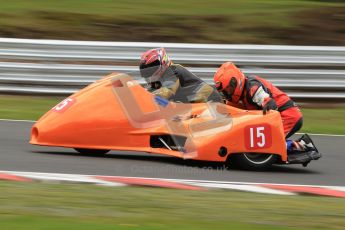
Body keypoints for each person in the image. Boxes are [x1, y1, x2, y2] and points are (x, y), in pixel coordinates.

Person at [213, 62, 319, 156]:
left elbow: (269, 103)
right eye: (225, 91)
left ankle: (303, 145)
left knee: (263, 144)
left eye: (229, 88)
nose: (228, 93)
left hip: (288, 115)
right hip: (278, 116)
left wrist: (266, 102)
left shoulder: (252, 88)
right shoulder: (236, 98)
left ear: (236, 81)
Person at [139, 48, 222, 103]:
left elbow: (167, 92)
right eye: (145, 70)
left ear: (163, 62)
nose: (148, 72)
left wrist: (146, 98)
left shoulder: (172, 71)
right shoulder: (159, 80)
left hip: (211, 103)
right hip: (194, 106)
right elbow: (149, 92)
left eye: (151, 68)